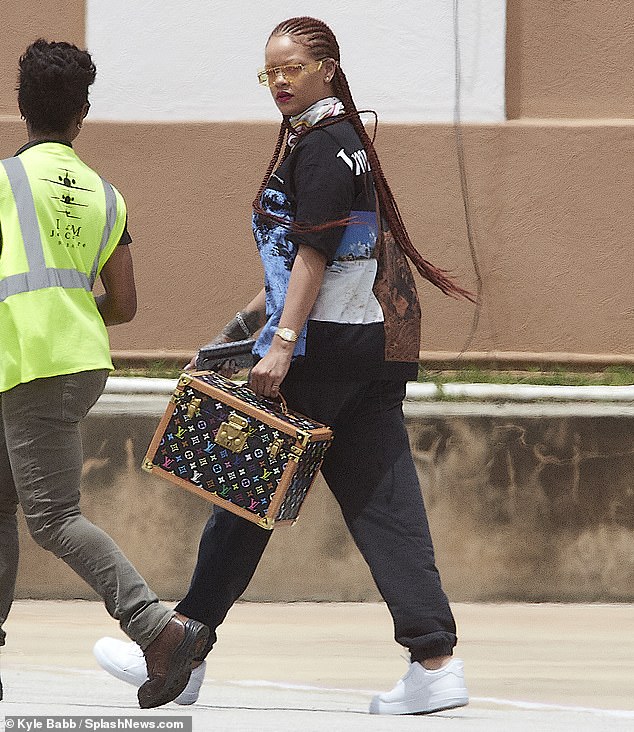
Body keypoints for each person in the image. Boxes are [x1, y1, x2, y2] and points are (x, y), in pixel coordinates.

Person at [94, 17, 472, 715]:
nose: (279, 81)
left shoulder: (324, 146)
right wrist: (241, 335)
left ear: (328, 66)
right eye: (269, 71)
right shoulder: (344, 138)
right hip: (371, 349)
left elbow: (312, 258)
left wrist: (281, 342)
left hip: (325, 348)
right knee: (384, 505)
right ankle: (434, 660)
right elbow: (296, 265)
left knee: (247, 493)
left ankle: (184, 646)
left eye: (292, 67)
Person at [0, 39, 209, 708]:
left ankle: (157, 627)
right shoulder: (105, 194)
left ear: (20, 104)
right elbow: (123, 302)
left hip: (28, 363)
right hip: (76, 362)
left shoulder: (4, 182)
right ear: (82, 110)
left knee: (54, 518)